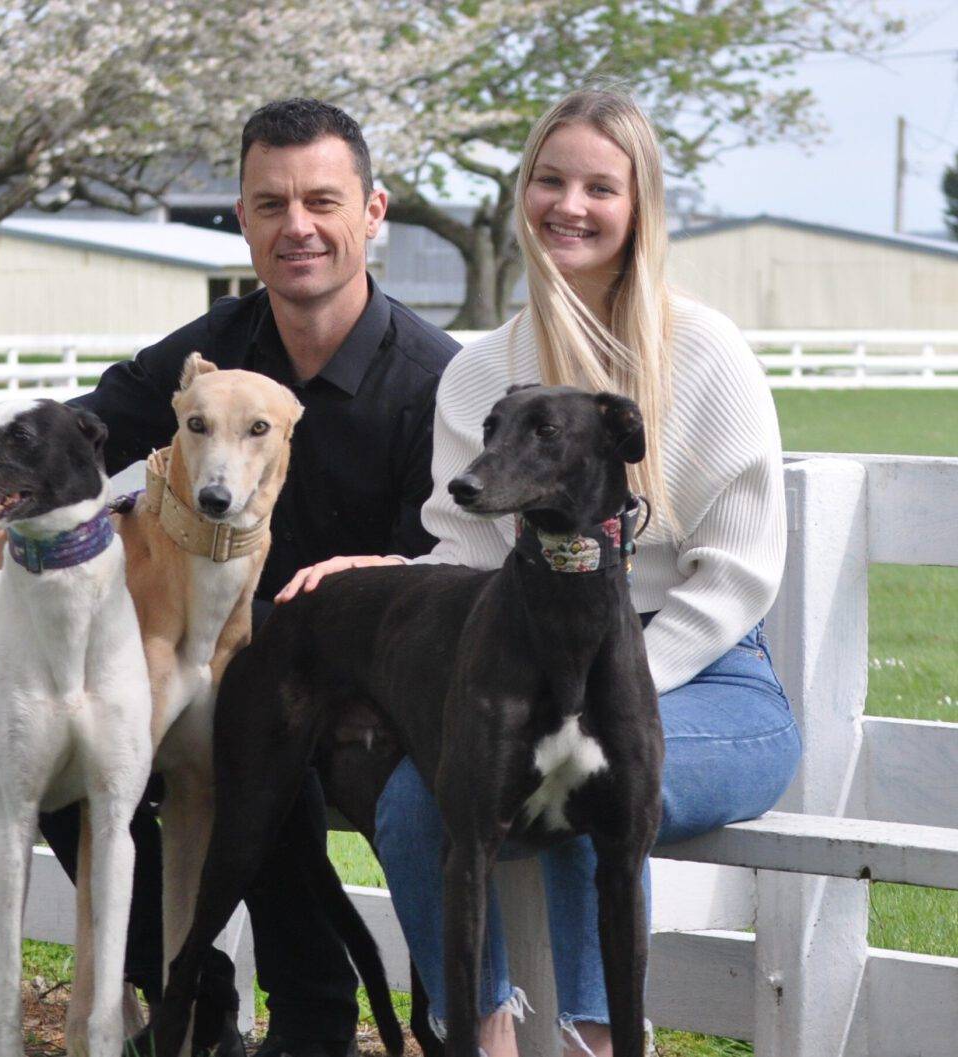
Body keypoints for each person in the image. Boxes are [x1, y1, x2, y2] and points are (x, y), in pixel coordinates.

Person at [276, 88, 802, 1057]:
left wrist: (610, 688)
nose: (569, 203)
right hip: (532, 657)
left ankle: (598, 1039)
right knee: (411, 797)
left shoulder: (708, 356)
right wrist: (378, 570)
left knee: (585, 761)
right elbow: (469, 551)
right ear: (522, 194)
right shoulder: (483, 371)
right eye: (548, 180)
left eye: (598, 186)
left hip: (708, 678)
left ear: (637, 204)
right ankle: (477, 1034)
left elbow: (733, 576)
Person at [0, 97, 458, 1057]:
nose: (295, 226)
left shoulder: (434, 380)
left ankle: (313, 1012)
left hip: (360, 674)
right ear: (244, 220)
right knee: (61, 767)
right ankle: (194, 996)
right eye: (268, 204)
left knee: (266, 734)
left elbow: (439, 565)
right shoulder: (215, 347)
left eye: (321, 201)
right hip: (206, 650)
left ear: (374, 211)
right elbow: (77, 432)